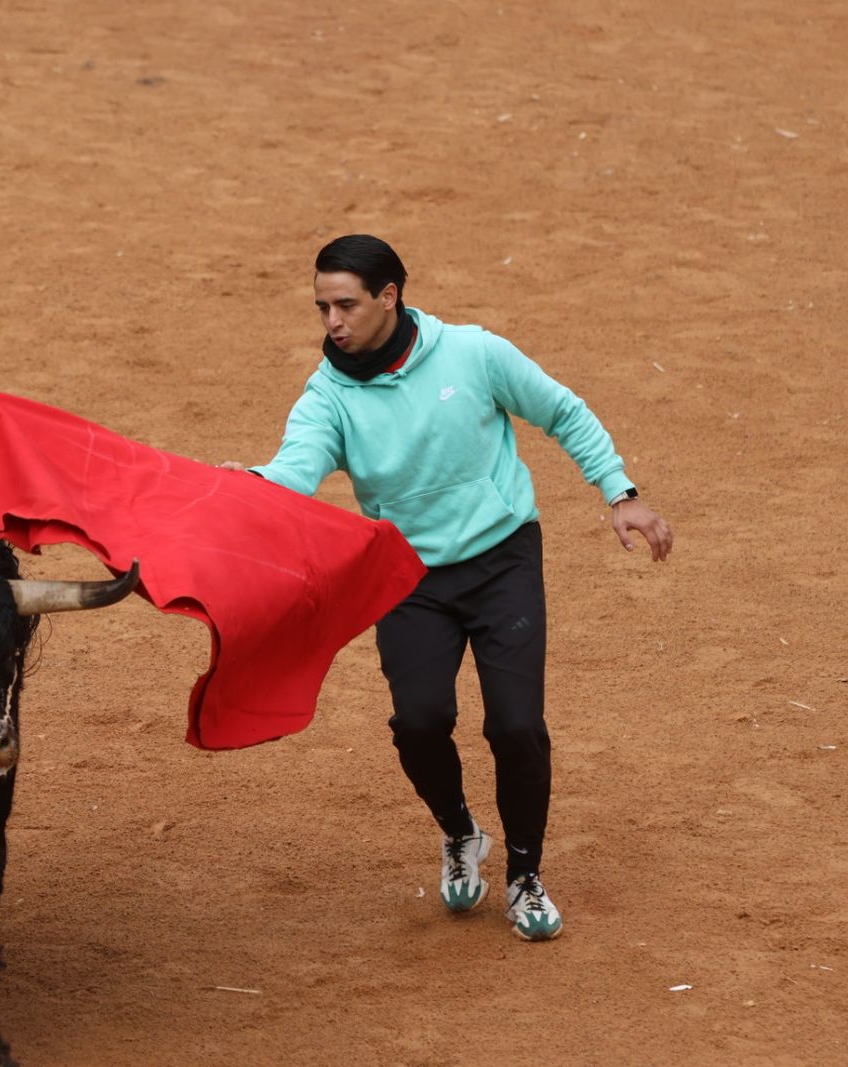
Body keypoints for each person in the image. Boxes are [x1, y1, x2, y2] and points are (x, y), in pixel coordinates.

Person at [221, 234, 672, 941]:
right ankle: (461, 832)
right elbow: (293, 474)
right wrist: (244, 487)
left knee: (516, 726)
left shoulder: (473, 353)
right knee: (420, 721)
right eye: (322, 307)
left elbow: (562, 410)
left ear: (389, 296)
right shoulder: (327, 397)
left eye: (345, 304)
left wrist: (621, 492)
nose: (331, 322)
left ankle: (525, 874)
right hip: (406, 576)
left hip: (502, 559)